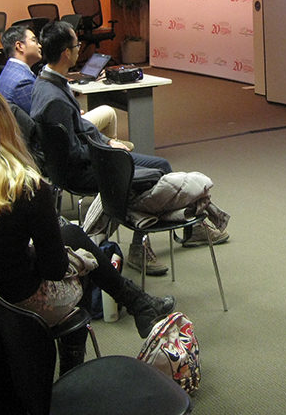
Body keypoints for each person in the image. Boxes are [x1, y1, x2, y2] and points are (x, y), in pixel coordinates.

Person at [0, 85, 176, 366]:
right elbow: (54, 270)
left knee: (72, 233)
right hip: (18, 304)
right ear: (6, 124)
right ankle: (73, 364)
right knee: (80, 267)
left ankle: (139, 302)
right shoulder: (25, 185)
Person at [30, 21, 229, 276]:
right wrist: (110, 150)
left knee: (161, 166)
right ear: (66, 53)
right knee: (153, 178)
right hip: (83, 169)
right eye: (76, 45)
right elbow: (74, 152)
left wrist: (107, 142)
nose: (80, 49)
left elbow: (79, 128)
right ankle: (141, 246)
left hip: (90, 159)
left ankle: (190, 229)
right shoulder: (54, 99)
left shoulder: (47, 82)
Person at [0, 23, 125, 144]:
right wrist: (69, 112)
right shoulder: (23, 82)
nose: (39, 46)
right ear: (19, 46)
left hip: (28, 140)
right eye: (34, 41)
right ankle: (112, 149)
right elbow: (46, 122)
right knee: (108, 112)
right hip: (47, 144)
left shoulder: (9, 71)